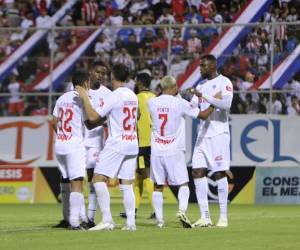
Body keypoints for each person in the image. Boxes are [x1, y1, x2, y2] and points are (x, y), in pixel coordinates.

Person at [76, 64, 139, 231]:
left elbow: (93, 116)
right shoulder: (132, 95)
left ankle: (107, 220)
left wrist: (84, 96)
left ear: (112, 77)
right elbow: (137, 115)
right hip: (132, 143)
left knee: (98, 179)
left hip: (117, 143)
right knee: (126, 184)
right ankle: (131, 223)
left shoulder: (114, 95)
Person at [147, 75, 214, 228]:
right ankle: (181, 211)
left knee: (158, 185)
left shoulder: (151, 103)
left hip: (156, 150)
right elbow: (203, 115)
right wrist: (213, 104)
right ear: (174, 87)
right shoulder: (180, 103)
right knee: (183, 184)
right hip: (174, 150)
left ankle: (159, 221)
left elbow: (160, 104)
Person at [190, 54, 233, 228]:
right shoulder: (200, 86)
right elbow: (193, 106)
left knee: (219, 173)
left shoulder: (225, 82)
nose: (200, 68)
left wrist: (205, 97)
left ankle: (223, 217)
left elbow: (226, 104)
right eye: (200, 65)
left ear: (213, 65)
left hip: (218, 134)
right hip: (203, 134)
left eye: (204, 65)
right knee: (197, 172)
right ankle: (205, 216)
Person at [52, 71, 90, 230]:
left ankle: (72, 217)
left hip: (60, 144)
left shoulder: (62, 98)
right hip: (74, 144)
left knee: (66, 181)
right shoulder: (82, 98)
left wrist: (62, 136)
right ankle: (74, 222)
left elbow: (54, 121)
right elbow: (91, 118)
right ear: (86, 83)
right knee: (77, 182)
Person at [120, 73, 156, 219]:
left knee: (145, 174)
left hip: (142, 142)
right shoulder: (155, 97)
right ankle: (133, 210)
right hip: (154, 142)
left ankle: (156, 210)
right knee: (138, 176)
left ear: (140, 83)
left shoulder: (136, 99)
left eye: (135, 81)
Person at [84, 62, 111, 227]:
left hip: (95, 142)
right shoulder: (80, 91)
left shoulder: (107, 94)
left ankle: (90, 218)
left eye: (104, 73)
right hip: (78, 141)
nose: (100, 75)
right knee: (76, 180)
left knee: (93, 178)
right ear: (90, 72)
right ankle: (74, 217)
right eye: (98, 71)